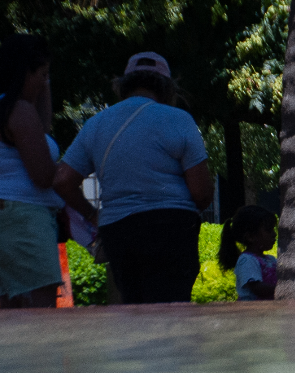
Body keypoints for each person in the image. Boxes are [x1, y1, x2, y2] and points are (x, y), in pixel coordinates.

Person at [53, 52, 212, 303]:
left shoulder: (96, 124)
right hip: (172, 227)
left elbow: (63, 180)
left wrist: (93, 214)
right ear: (167, 88)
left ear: (123, 86)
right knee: (174, 309)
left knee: (134, 307)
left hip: (118, 231)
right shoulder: (179, 119)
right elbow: (201, 193)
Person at [0, 35, 78, 308]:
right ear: (26, 72)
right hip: (24, 221)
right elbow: (44, 176)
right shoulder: (18, 110)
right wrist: (70, 172)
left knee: (13, 316)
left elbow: (42, 129)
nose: (43, 83)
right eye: (42, 75)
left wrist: (44, 83)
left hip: (0, 218)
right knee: (39, 318)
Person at [218, 205, 279, 301]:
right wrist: (282, 289)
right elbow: (257, 288)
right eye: (268, 230)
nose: (274, 234)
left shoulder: (271, 259)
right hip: (251, 310)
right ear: (250, 237)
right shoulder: (247, 260)